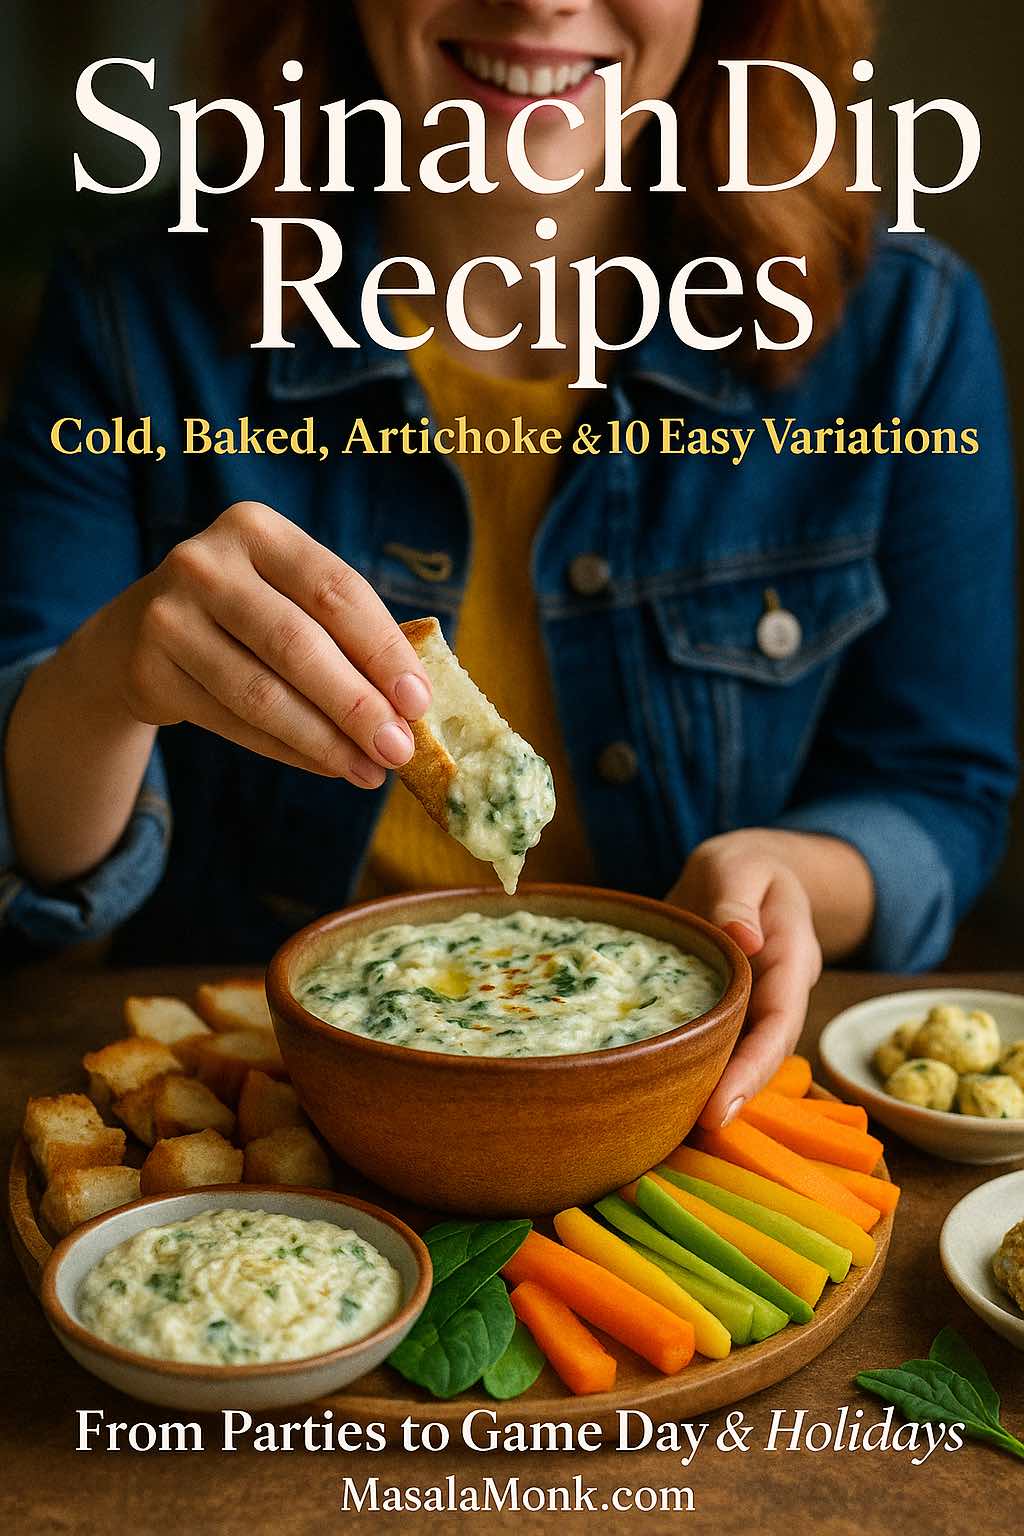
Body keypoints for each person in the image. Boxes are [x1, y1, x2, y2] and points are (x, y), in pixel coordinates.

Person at [0, 0, 1016, 1129]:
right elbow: (37, 888)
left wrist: (789, 873)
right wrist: (104, 684)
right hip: (275, 1128)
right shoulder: (125, 322)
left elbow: (942, 792)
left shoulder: (904, 334)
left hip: (684, 1115)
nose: (539, 1)